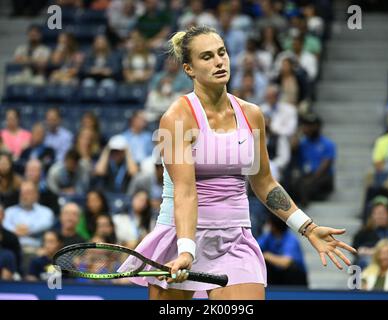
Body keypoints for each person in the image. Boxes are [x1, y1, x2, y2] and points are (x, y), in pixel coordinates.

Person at [118, 26, 356, 300]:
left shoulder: (252, 115)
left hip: (234, 240)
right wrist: (186, 250)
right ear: (189, 69)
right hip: (181, 236)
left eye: (222, 53)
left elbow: (264, 182)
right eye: (206, 57)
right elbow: (185, 191)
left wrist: (308, 227)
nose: (219, 61)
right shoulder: (176, 118)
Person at [258, 213, 307, 286]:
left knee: (292, 269)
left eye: (269, 223)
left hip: (295, 280)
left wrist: (266, 255)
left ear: (273, 225)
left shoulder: (291, 239)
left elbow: (285, 263)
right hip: (277, 278)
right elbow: (255, 250)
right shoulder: (268, 237)